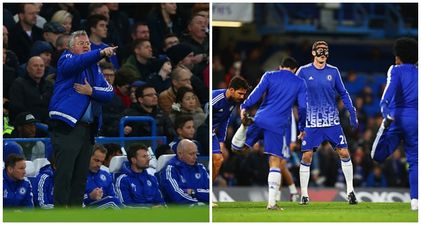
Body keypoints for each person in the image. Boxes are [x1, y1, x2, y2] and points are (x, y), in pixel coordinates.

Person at [48, 30, 116, 207]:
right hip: (67, 126)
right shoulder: (66, 59)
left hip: (88, 129)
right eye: (81, 43)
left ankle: (76, 216)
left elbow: (109, 93)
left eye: (88, 43)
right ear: (71, 47)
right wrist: (100, 53)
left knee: (80, 178)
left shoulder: (94, 68)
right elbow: (78, 62)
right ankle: (60, 216)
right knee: (65, 174)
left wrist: (91, 91)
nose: (86, 46)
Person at [296, 41, 358, 205]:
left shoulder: (334, 71)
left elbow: (343, 93)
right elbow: (292, 90)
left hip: (332, 121)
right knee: (307, 156)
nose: (323, 54)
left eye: (325, 51)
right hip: (312, 122)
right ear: (313, 52)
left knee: (344, 153)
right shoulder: (303, 71)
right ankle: (304, 195)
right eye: (320, 51)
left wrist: (352, 111)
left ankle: (350, 191)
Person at [239, 57, 306, 210]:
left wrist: (244, 106)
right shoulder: (299, 82)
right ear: (295, 70)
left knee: (240, 148)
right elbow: (302, 108)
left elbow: (256, 94)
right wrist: (302, 127)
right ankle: (272, 203)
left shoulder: (269, 75)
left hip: (259, 119)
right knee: (275, 162)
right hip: (276, 125)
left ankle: (237, 144)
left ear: (280, 67)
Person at [371, 37, 418, 210]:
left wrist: (385, 114)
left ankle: (383, 129)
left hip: (397, 117)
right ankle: (415, 201)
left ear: (398, 56)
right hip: (416, 119)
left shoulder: (395, 70)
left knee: (377, 156)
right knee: (415, 162)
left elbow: (387, 95)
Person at [212, 76, 249, 205]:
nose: (242, 97)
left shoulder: (233, 102)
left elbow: (224, 121)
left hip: (212, 133)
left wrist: (221, 141)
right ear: (231, 90)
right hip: (202, 130)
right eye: (240, 93)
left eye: (244, 94)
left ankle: (208, 192)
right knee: (215, 159)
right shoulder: (216, 98)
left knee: (218, 160)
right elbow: (203, 117)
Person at [158, 139, 209, 205]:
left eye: (196, 153)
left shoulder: (200, 168)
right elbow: (176, 195)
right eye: (191, 154)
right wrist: (197, 203)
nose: (195, 157)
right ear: (180, 154)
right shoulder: (170, 170)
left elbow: (211, 192)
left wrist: (193, 192)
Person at [84, 144, 121, 208]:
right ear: (87, 157)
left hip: (105, 210)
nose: (99, 165)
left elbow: (113, 196)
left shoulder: (106, 175)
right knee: (112, 202)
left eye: (101, 162)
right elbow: (70, 199)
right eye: (96, 160)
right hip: (82, 211)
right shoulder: (77, 176)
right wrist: (90, 196)